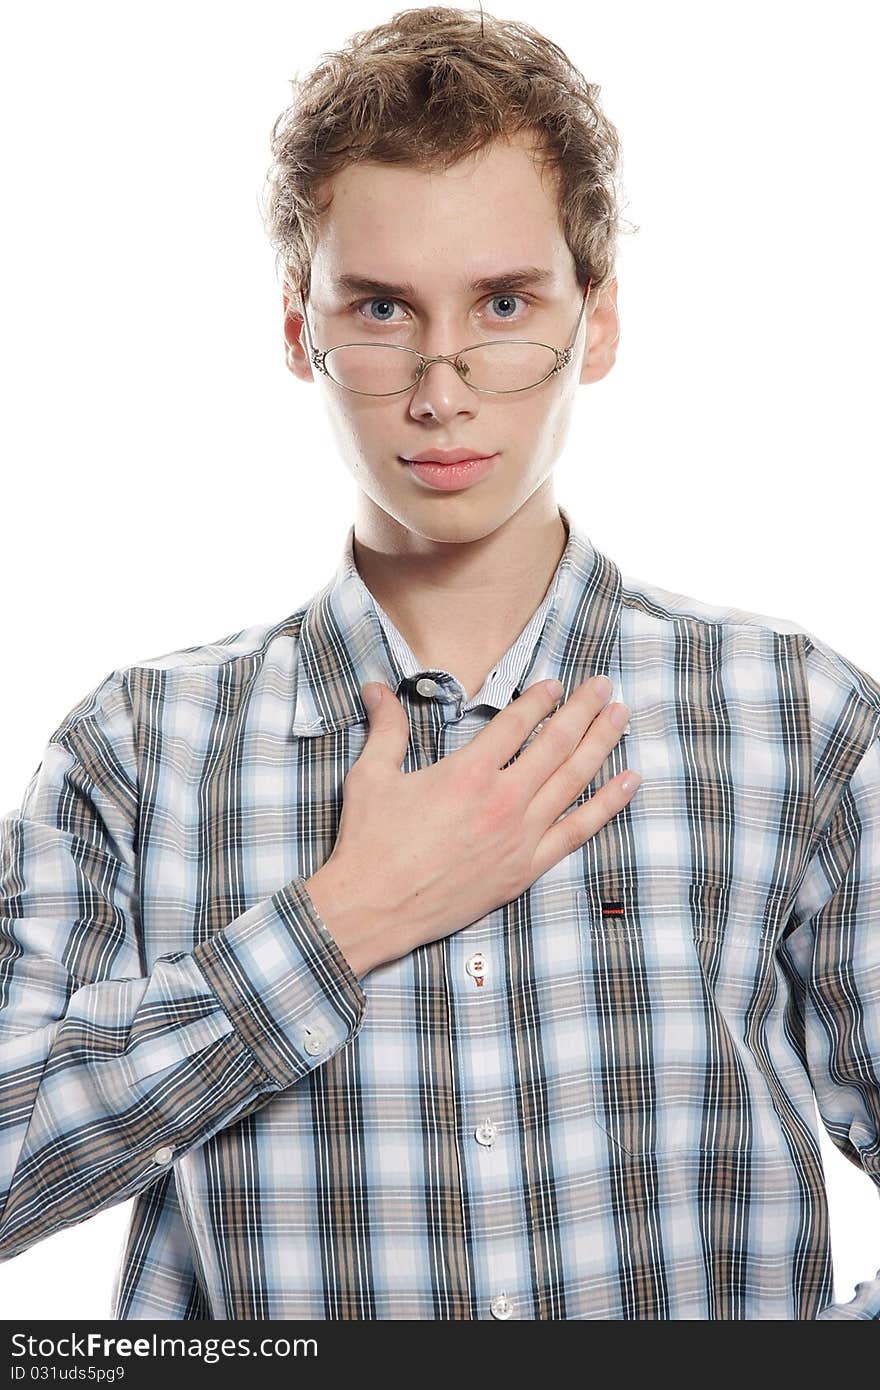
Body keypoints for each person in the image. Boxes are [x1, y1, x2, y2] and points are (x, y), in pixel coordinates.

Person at [1, 5, 878, 1322]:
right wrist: (345, 918)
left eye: (505, 303)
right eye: (382, 308)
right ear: (302, 328)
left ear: (598, 321)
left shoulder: (794, 719)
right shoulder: (137, 749)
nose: (440, 383)